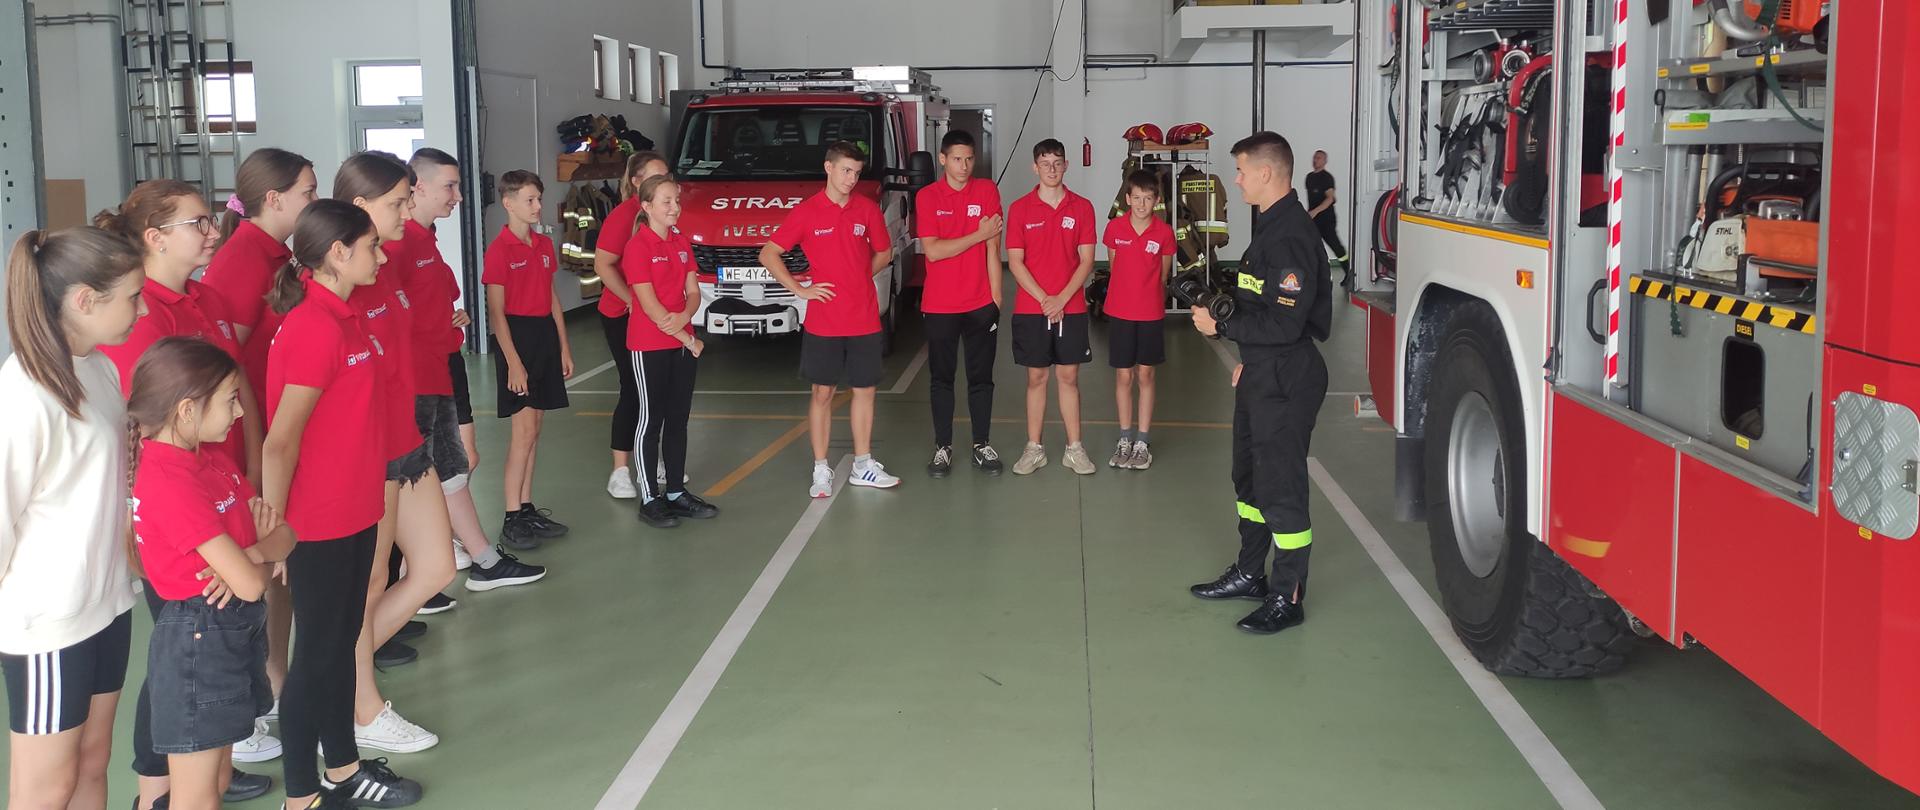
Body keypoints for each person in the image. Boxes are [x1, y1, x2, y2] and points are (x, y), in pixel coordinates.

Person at [94, 181, 280, 807]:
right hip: (187, 510)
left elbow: (235, 384)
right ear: (154, 237)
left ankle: (202, 763)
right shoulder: (142, 316)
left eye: (210, 219)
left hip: (222, 487)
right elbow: (140, 427)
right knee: (179, 651)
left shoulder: (205, 297)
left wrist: (250, 466)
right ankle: (159, 789)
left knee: (209, 647)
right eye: (197, 223)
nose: (212, 231)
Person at [263, 199, 422, 809]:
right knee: (316, 658)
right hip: (320, 521)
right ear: (337, 253)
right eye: (371, 246)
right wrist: (277, 534)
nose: (380, 255)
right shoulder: (313, 327)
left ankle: (343, 770)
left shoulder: (347, 316)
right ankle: (302, 795)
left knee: (337, 648)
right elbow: (280, 443)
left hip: (357, 510)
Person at [0, 227, 143, 810]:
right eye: (132, 297)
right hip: (50, 622)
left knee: (91, 761)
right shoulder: (24, 394)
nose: (141, 309)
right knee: (46, 788)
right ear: (85, 300)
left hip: (107, 604)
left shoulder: (98, 369)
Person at [126, 337, 297, 810]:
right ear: (187, 410)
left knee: (217, 780)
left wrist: (249, 553)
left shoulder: (208, 459)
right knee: (197, 796)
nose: (240, 413)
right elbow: (252, 583)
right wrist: (255, 559)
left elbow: (286, 535)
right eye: (230, 400)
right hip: (197, 641)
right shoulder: (168, 480)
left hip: (227, 633)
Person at [332, 151, 453, 756]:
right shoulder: (343, 286)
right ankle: (361, 706)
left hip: (406, 442)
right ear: (360, 207)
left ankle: (326, 682)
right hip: (370, 453)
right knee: (371, 581)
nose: (408, 211)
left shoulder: (382, 269)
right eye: (397, 202)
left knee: (435, 568)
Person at [1187, 132, 1331, 636]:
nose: (1237, 180)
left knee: (1280, 487)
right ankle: (1251, 573)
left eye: (1242, 171)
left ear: (1266, 173)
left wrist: (1221, 326)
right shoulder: (1270, 226)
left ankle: (1287, 596)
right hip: (1262, 370)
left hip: (1287, 375)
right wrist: (1248, 356)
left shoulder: (1291, 235)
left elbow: (1286, 324)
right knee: (1248, 479)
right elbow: (1262, 305)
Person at [201, 146, 318, 738]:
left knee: (281, 566)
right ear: (273, 199)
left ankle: (277, 679)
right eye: (307, 193)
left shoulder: (277, 254)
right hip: (255, 440)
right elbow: (230, 370)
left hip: (274, 433)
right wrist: (253, 453)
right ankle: (263, 691)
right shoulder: (244, 259)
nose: (314, 202)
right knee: (263, 570)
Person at [405, 148, 548, 594]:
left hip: (444, 368)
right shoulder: (398, 244)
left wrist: (449, 319)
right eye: (450, 186)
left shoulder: (426, 240)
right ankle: (417, 572)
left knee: (454, 466)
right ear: (418, 187)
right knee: (416, 475)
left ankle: (481, 559)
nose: (459, 196)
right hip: (417, 378)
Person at [761, 141, 901, 498]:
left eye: (856, 172)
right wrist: (799, 288)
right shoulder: (807, 212)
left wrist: (859, 277)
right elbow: (769, 253)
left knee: (865, 390)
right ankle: (820, 468)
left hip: (864, 317)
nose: (851, 179)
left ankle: (863, 464)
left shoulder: (866, 209)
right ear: (829, 168)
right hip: (824, 320)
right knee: (822, 392)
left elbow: (884, 251)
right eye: (846, 171)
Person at [623, 174, 720, 528]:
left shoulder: (680, 241)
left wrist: (684, 316)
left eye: (676, 200)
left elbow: (693, 292)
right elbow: (651, 308)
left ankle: (676, 492)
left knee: (678, 419)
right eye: (666, 201)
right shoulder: (638, 247)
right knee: (651, 420)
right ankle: (650, 498)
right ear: (647, 206)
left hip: (680, 343)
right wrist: (688, 339)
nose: (674, 207)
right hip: (650, 345)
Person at [485, 170, 574, 545]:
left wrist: (563, 346)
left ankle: (525, 507)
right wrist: (514, 363)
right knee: (522, 434)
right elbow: (496, 313)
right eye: (530, 200)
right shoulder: (499, 250)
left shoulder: (543, 245)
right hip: (516, 340)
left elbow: (552, 298)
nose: (538, 206)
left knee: (535, 429)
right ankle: (511, 517)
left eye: (539, 199)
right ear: (508, 203)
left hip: (543, 338)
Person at [915, 130, 1005, 478]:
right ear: (942, 159)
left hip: (981, 303)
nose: (964, 166)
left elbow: (993, 248)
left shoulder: (987, 190)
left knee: (981, 379)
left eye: (969, 159)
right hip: (940, 306)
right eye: (956, 159)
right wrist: (977, 234)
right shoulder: (927, 196)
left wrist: (996, 299)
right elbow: (934, 252)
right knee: (942, 379)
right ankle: (943, 447)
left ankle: (982, 444)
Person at [1006, 138, 1098, 476]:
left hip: (1070, 307)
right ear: (1035, 167)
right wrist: (1046, 299)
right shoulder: (1020, 208)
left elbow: (1086, 260)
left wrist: (1061, 298)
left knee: (1069, 377)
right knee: (1036, 377)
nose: (1052, 169)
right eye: (1045, 163)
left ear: (1066, 165)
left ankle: (1075, 448)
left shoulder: (1082, 207)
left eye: (1057, 163)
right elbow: (1015, 262)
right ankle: (1035, 448)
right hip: (1032, 308)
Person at [592, 150, 671, 498]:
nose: (664, 183)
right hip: (622, 316)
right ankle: (620, 471)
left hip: (656, 315)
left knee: (658, 390)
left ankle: (651, 459)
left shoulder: (667, 215)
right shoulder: (623, 216)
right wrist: (630, 299)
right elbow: (603, 264)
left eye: (666, 176)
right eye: (655, 177)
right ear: (637, 182)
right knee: (633, 388)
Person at [1100, 169, 1177, 471]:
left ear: (1156, 200)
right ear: (1128, 199)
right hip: (1120, 312)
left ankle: (1142, 441)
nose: (1142, 204)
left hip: (1150, 313)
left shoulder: (1164, 233)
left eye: (1148, 198)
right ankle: (1125, 438)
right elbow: (1114, 266)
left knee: (1145, 376)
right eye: (1136, 198)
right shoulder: (1114, 229)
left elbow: (1162, 275)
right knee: (1123, 376)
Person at [1304, 150, 1350, 288]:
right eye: (1314, 157)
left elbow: (1330, 198)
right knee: (1310, 247)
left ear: (1325, 161)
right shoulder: (1309, 177)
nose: (1315, 160)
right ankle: (1313, 278)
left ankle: (1349, 272)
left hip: (1327, 220)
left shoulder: (1327, 178)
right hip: (1313, 220)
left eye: (1319, 158)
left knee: (1335, 246)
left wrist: (1315, 211)